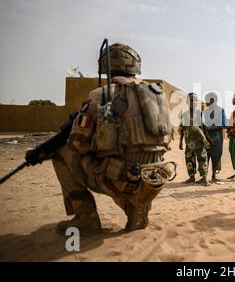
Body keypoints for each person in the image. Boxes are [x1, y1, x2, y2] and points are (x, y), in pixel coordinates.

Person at [26, 42, 173, 234]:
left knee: (61, 154)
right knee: (120, 159)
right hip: (153, 178)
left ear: (106, 66)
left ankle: (86, 217)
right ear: (135, 66)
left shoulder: (101, 95)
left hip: (120, 179)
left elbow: (78, 145)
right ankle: (135, 207)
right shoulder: (158, 96)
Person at [179, 93, 211, 186]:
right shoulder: (184, 115)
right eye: (191, 100)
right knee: (189, 159)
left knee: (202, 159)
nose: (194, 102)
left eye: (196, 100)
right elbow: (182, 129)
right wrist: (180, 142)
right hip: (189, 142)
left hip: (200, 142)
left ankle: (204, 178)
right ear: (187, 101)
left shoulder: (200, 114)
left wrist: (206, 139)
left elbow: (204, 128)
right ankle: (191, 177)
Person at [203, 92, 227, 183]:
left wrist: (210, 127)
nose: (205, 103)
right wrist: (207, 132)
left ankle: (214, 175)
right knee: (206, 156)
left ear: (212, 100)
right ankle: (204, 176)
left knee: (216, 156)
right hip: (207, 136)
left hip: (217, 137)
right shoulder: (205, 111)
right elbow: (203, 124)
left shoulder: (221, 110)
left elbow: (223, 125)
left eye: (207, 100)